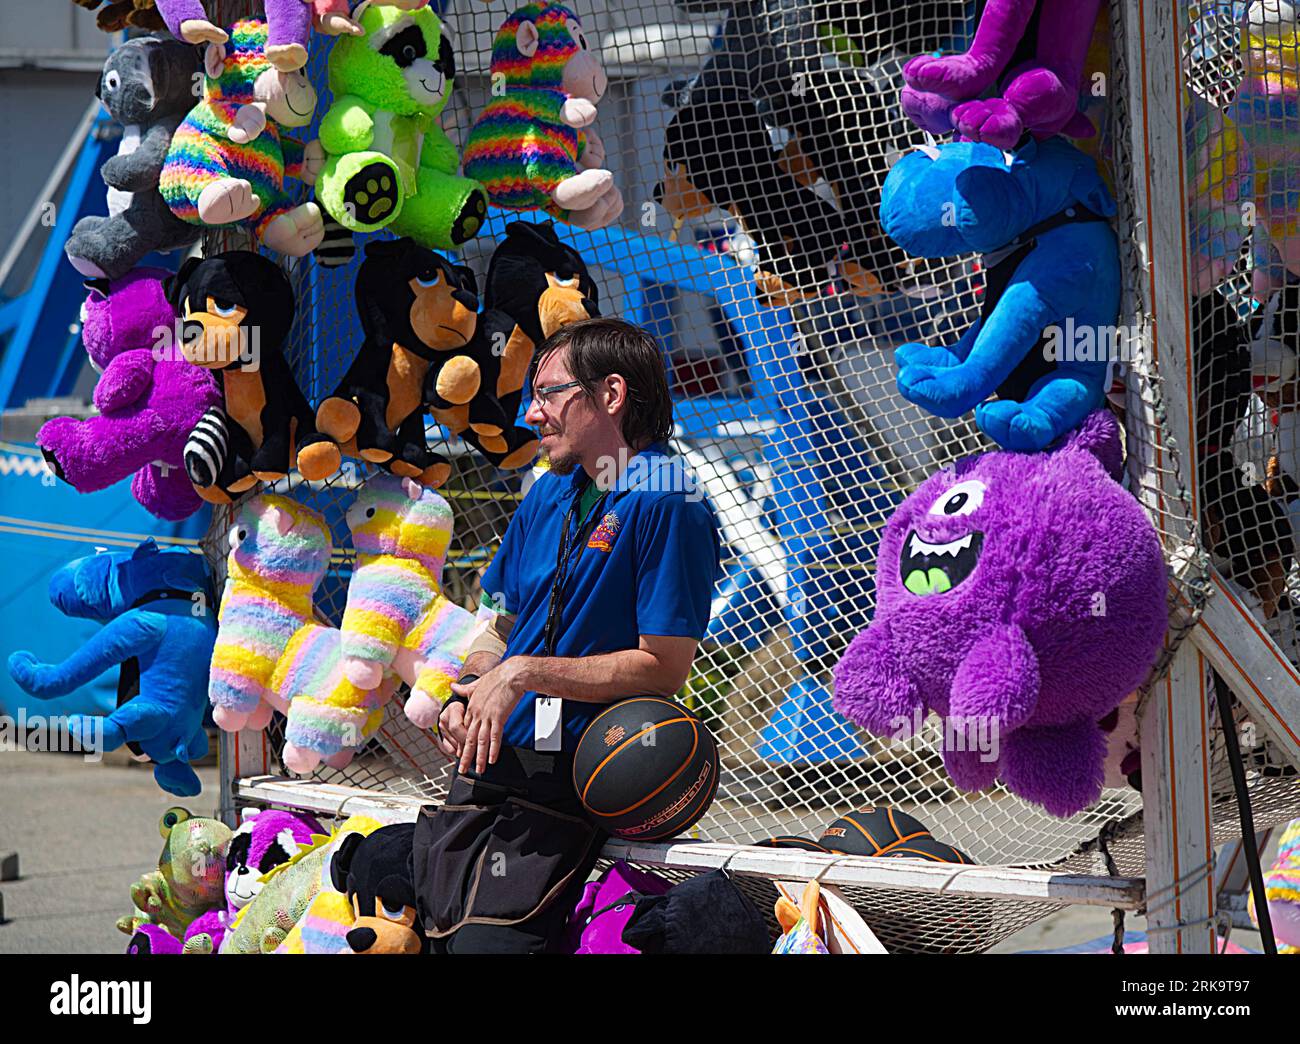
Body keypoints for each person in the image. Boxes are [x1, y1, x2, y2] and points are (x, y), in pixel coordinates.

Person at [412, 316, 722, 954]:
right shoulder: (549, 491)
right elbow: (498, 619)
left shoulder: (669, 499)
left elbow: (663, 668)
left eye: (548, 394)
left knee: (486, 948)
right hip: (491, 770)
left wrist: (521, 675)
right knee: (428, 930)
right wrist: (469, 687)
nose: (530, 413)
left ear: (609, 395)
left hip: (571, 785)